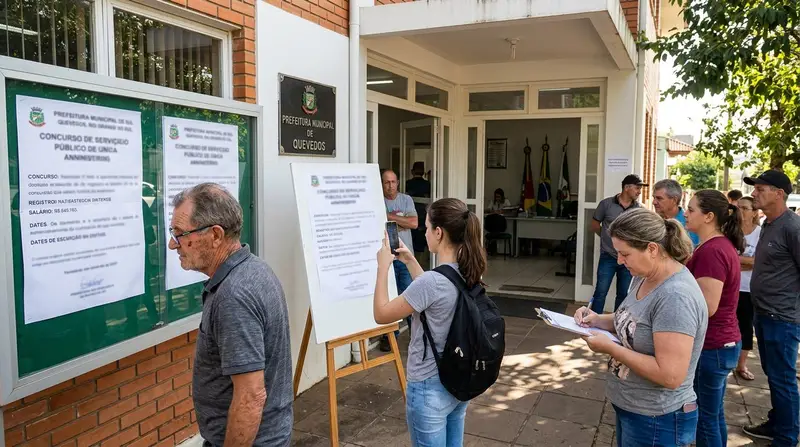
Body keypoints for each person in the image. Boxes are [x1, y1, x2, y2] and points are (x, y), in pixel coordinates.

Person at [168, 183, 292, 446]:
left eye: (179, 234)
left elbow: (251, 396)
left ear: (215, 235)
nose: (172, 244)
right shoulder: (254, 268)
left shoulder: (234, 294)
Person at [574, 208, 707, 446]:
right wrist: (597, 319)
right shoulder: (644, 275)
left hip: (657, 418)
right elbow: (635, 319)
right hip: (635, 409)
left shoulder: (675, 297)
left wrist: (611, 348)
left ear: (652, 249)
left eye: (625, 254)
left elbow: (670, 375)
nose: (619, 261)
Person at [373, 198, 486, 446]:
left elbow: (381, 314)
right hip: (459, 378)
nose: (424, 233)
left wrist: (382, 268)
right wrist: (410, 261)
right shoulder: (468, 271)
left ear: (438, 232)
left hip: (428, 387)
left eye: (426, 227)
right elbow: (434, 295)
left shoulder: (432, 283)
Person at [741, 170, 800, 446]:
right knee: (774, 376)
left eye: (760, 189)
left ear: (779, 194)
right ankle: (777, 423)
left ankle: (787, 438)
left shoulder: (792, 227)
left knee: (783, 379)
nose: (754, 193)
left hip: (782, 318)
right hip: (763, 313)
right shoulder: (768, 224)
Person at [684, 190, 744, 447]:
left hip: (713, 345)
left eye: (691, 209)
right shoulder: (714, 246)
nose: (686, 214)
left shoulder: (713, 250)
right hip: (720, 344)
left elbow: (707, 306)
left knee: (704, 418)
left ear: (708, 216)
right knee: (713, 414)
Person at [588, 174, 645, 313]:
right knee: (600, 292)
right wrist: (607, 239)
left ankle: (616, 322)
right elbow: (595, 225)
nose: (639, 192)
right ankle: (592, 320)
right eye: (637, 188)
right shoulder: (606, 204)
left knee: (623, 294)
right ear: (626, 187)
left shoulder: (639, 209)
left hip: (628, 259)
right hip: (608, 256)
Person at [380, 169, 418, 352]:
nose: (390, 186)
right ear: (382, 184)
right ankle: (389, 337)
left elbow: (413, 223)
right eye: (386, 182)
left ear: (398, 183)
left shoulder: (406, 200)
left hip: (404, 257)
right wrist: (401, 220)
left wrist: (388, 218)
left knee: (410, 295)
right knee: (390, 298)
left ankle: (416, 335)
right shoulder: (377, 200)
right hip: (386, 258)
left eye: (393, 182)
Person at [734, 196, 761, 381]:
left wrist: (736, 260)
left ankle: (741, 365)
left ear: (754, 212)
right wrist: (745, 262)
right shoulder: (731, 231)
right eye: (738, 207)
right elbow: (726, 258)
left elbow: (759, 261)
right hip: (730, 286)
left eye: (744, 208)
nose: (740, 211)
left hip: (748, 288)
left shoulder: (760, 233)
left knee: (745, 326)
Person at [652, 179, 700, 246]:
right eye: (654, 198)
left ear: (674, 200)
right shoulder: (652, 222)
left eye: (659, 198)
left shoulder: (691, 225)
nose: (654, 202)